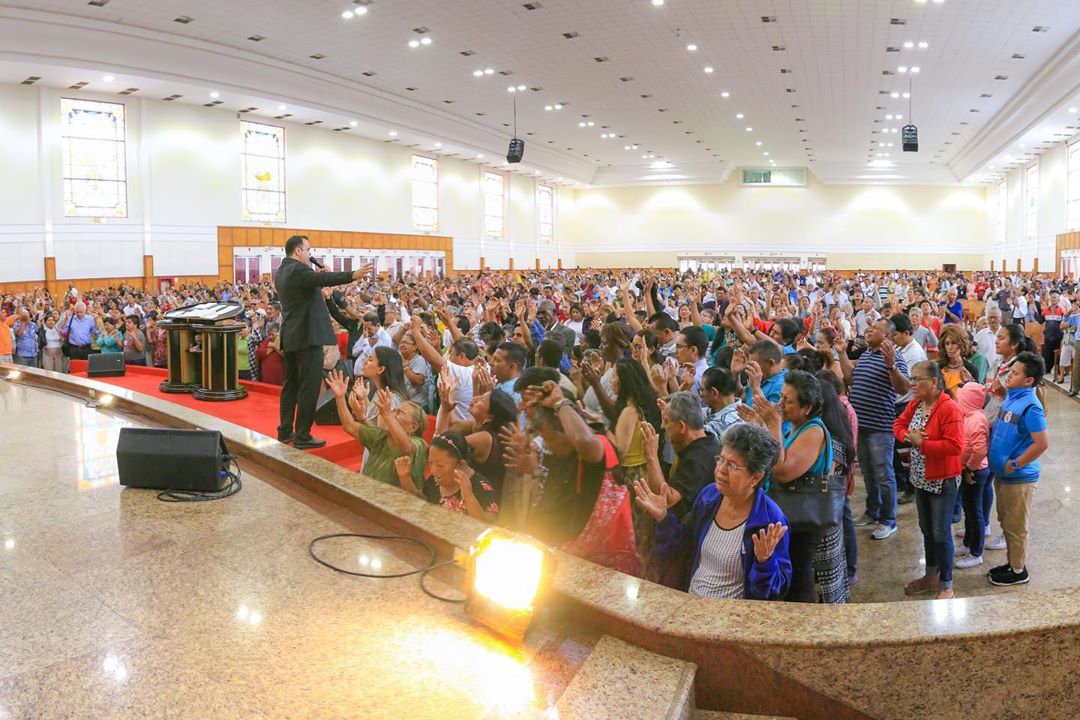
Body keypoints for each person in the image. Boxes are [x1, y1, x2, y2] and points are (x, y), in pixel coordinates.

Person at [636, 423, 791, 600]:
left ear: (755, 477)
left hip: (730, 614)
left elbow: (774, 593)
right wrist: (663, 517)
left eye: (732, 466)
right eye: (721, 459)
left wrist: (765, 562)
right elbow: (683, 547)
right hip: (691, 603)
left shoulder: (769, 521)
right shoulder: (709, 497)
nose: (721, 470)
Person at [738, 369, 832, 603]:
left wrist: (774, 424)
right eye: (781, 396)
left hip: (803, 517)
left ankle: (802, 622)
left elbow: (782, 471)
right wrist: (761, 424)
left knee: (798, 575)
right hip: (788, 512)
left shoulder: (814, 431)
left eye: (787, 400)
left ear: (807, 407)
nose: (780, 404)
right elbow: (776, 453)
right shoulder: (795, 426)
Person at [274, 234, 373, 449]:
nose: (310, 254)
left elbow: (310, 285)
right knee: (309, 387)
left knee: (290, 385)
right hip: (308, 337)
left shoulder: (282, 271)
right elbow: (321, 280)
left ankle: (285, 430)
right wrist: (353, 275)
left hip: (291, 336)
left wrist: (319, 277)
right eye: (308, 250)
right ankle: (302, 435)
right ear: (298, 251)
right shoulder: (299, 270)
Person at [894, 362, 963, 600]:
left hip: (942, 480)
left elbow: (955, 446)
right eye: (911, 378)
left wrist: (922, 444)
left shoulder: (948, 408)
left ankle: (946, 585)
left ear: (934, 382)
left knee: (941, 533)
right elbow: (898, 424)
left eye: (917, 379)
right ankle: (931, 575)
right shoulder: (916, 403)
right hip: (920, 477)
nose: (911, 383)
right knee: (926, 529)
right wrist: (907, 436)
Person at [840, 318, 910, 540]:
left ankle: (888, 520)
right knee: (868, 473)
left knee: (883, 474)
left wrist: (891, 366)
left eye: (875, 329)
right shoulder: (867, 355)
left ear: (887, 336)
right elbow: (850, 379)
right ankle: (873, 511)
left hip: (880, 426)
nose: (869, 330)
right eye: (869, 328)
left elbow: (903, 388)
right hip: (861, 425)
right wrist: (841, 353)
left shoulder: (895, 358)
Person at [987, 352, 1049, 587]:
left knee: (1016, 527)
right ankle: (1012, 562)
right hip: (1003, 475)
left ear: (1028, 380)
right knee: (1006, 520)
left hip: (1019, 478)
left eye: (1014, 373)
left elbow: (1041, 443)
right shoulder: (1012, 397)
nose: (1009, 376)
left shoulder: (1032, 407)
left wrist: (1015, 464)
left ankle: (1018, 570)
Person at [327, 370, 427, 489]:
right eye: (393, 411)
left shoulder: (419, 444)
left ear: (413, 427)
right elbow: (350, 426)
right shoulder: (381, 436)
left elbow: (407, 448)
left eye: (399, 413)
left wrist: (388, 415)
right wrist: (340, 398)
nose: (392, 414)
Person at [394, 431, 498, 523]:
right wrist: (405, 477)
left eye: (440, 465)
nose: (433, 470)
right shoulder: (435, 479)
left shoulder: (482, 488)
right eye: (430, 462)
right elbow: (420, 503)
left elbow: (489, 528)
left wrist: (469, 497)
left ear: (461, 464)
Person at [955, 382, 991, 569]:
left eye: (960, 398)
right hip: (968, 469)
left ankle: (976, 553)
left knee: (975, 513)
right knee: (968, 510)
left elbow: (980, 450)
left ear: (968, 401)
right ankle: (968, 542)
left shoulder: (976, 419)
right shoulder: (968, 416)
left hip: (975, 472)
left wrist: (969, 468)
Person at [700, 366, 743, 446]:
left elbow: (690, 435)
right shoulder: (716, 410)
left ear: (714, 392)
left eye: (702, 390)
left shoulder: (725, 423)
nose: (701, 395)